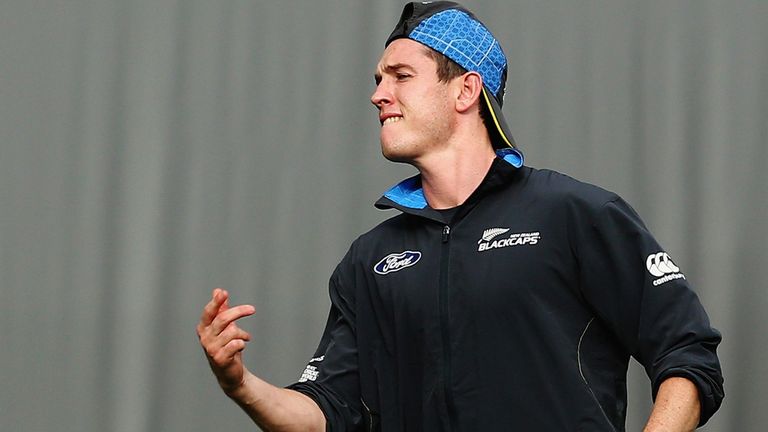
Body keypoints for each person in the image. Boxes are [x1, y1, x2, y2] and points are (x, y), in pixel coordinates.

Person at [196, 2, 724, 431]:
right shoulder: (370, 259)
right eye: (379, 79)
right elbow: (326, 412)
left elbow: (687, 353)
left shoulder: (576, 215)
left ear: (466, 90)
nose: (378, 95)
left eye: (401, 76)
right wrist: (241, 385)